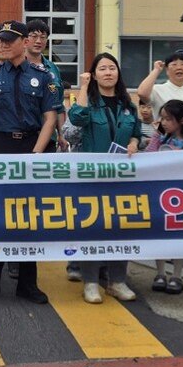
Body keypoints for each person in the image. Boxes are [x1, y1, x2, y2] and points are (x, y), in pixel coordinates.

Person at [0, 20, 57, 304]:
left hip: (31, 146)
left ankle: (28, 284)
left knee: (30, 216)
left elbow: (50, 118)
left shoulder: (43, 76)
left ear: (25, 43)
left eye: (8, 40)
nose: (2, 45)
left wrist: (36, 154)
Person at [67, 52, 140, 305]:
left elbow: (136, 132)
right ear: (94, 74)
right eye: (102, 69)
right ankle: (90, 282)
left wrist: (134, 142)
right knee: (93, 227)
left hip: (121, 178)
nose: (108, 72)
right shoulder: (89, 102)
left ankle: (117, 281)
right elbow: (77, 117)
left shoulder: (128, 105)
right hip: (92, 178)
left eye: (112, 68)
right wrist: (84, 86)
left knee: (121, 227)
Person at [144, 99, 183, 294]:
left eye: (168, 119)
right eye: (162, 118)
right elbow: (147, 158)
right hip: (159, 193)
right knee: (158, 234)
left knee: (179, 235)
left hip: (181, 196)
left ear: (182, 121)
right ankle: (160, 272)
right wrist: (156, 139)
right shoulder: (159, 139)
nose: (164, 122)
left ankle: (177, 275)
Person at [25, 20, 67, 150]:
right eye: (34, 36)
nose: (38, 41)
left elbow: (58, 105)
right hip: (24, 136)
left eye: (43, 37)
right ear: (25, 39)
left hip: (49, 138)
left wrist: (61, 134)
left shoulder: (52, 69)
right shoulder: (18, 66)